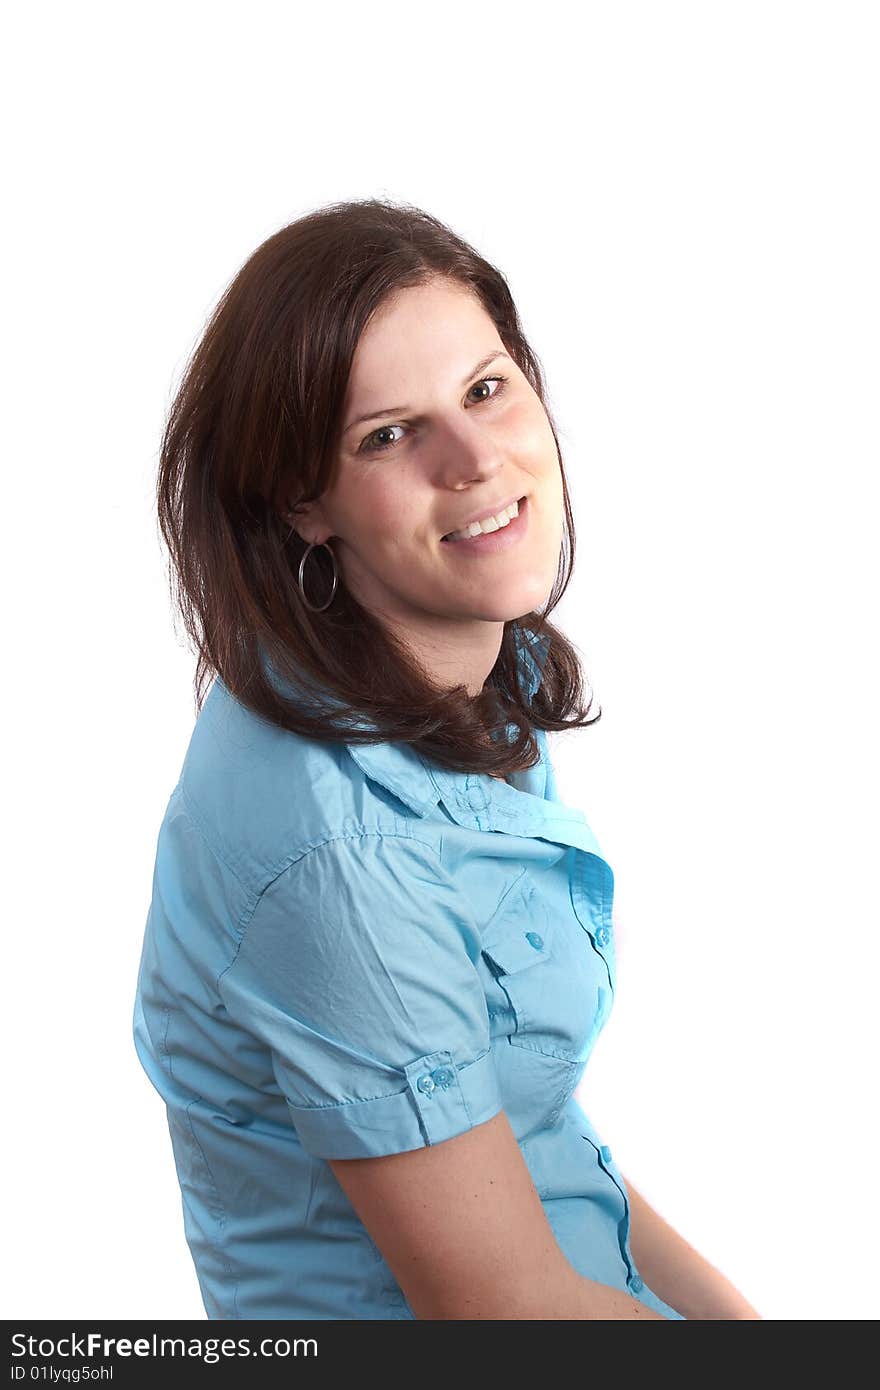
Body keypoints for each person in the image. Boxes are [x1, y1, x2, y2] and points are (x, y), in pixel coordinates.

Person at [132, 197, 760, 1321]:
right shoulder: (338, 852)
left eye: (484, 388)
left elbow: (542, 1132)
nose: (474, 460)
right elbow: (506, 1309)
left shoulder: (453, 673)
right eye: (387, 433)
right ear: (301, 501)